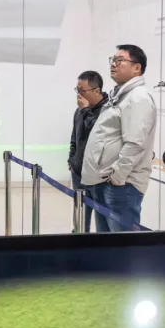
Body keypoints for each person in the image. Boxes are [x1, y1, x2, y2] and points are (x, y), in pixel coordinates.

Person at [81, 44, 158, 232]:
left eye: (120, 60)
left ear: (137, 68)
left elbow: (135, 143)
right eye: (113, 60)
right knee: (108, 244)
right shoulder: (121, 95)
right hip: (107, 183)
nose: (113, 64)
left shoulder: (138, 97)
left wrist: (117, 177)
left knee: (123, 245)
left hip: (121, 187)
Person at [68, 70, 107, 232]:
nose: (79, 94)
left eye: (82, 90)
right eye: (77, 90)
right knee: (80, 220)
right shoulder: (79, 111)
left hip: (98, 177)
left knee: (101, 222)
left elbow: (97, 133)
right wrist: (71, 160)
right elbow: (74, 138)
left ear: (96, 91)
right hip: (78, 173)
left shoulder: (107, 111)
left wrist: (85, 110)